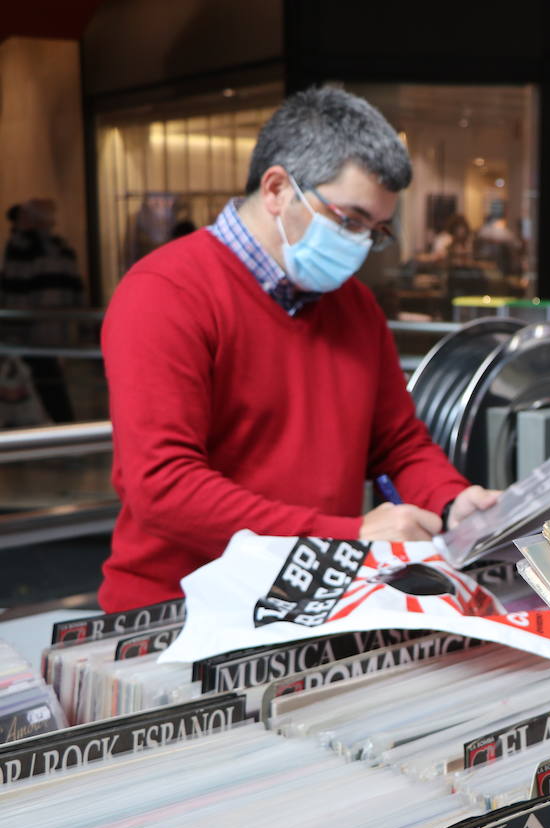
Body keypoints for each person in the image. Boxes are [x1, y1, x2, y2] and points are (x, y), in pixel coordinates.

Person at [99, 87, 497, 613]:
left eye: (374, 232)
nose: (359, 245)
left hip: (314, 602)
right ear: (277, 189)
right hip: (181, 609)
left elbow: (397, 444)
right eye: (349, 220)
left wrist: (451, 498)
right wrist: (345, 535)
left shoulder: (353, 306)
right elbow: (164, 490)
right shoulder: (164, 292)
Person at [1, 199, 81, 423]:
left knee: (38, 375)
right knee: (47, 375)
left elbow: (14, 286)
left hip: (28, 325)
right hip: (56, 322)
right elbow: (75, 286)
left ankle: (59, 424)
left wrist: (9, 325)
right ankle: (62, 423)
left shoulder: (20, 246)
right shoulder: (62, 247)